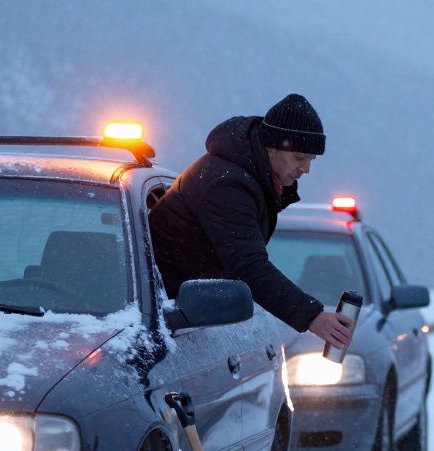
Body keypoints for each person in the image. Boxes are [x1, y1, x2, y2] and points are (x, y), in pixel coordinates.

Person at [149, 93, 353, 348]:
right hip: (161, 319)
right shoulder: (226, 185)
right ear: (272, 146)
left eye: (312, 159)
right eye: (300, 157)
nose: (307, 169)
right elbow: (248, 266)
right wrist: (312, 317)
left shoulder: (246, 178)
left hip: (182, 317)